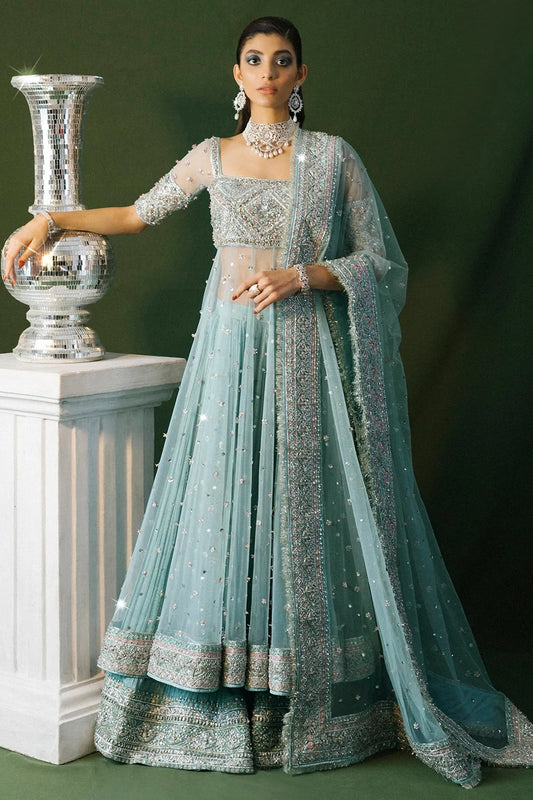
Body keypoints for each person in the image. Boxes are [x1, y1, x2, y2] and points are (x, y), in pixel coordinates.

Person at [4, 15, 533, 789]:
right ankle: (223, 694)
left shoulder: (331, 159)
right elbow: (133, 215)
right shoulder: (212, 158)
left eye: (281, 61)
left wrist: (302, 276)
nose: (267, 73)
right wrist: (48, 218)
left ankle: (308, 694)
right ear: (236, 73)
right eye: (254, 60)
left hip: (304, 351)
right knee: (223, 501)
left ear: (300, 76)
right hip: (228, 353)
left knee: (302, 507)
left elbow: (377, 260)